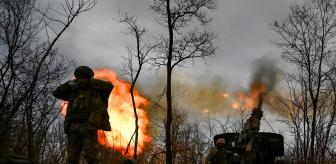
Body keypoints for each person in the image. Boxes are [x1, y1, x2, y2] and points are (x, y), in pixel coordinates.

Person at [53, 66, 113, 164]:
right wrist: (69, 84)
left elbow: (109, 86)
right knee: (72, 157)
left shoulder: (97, 91)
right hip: (73, 126)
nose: (81, 80)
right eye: (79, 78)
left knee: (92, 156)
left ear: (89, 78)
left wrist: (91, 82)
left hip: (89, 126)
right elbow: (56, 93)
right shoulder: (73, 92)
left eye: (83, 78)